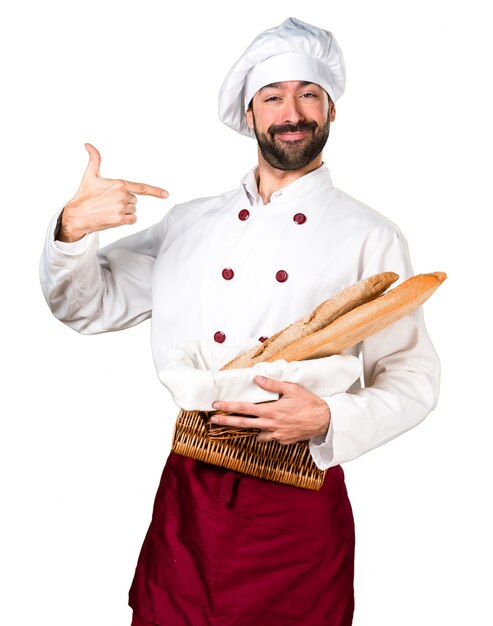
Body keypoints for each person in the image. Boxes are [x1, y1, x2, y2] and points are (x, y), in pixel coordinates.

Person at [39, 17, 440, 626]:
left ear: (331, 108)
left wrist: (332, 414)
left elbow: (412, 376)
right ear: (250, 116)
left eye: (309, 93)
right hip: (191, 488)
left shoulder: (370, 236)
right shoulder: (190, 224)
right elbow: (87, 306)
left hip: (298, 496)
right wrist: (72, 232)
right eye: (273, 96)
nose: (292, 111)